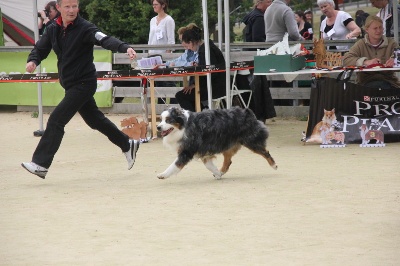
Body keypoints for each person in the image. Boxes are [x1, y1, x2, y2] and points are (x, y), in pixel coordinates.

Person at [21, 0, 140, 179]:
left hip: (84, 83)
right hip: (70, 84)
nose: (71, 10)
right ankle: (127, 143)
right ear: (58, 8)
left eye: (74, 6)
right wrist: (33, 60)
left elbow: (104, 39)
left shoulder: (85, 28)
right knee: (95, 120)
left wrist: (124, 47)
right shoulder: (53, 27)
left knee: (56, 120)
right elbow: (41, 48)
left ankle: (40, 164)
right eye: (67, 7)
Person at [175, 25, 226, 112]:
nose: (188, 49)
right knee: (186, 93)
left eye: (187, 46)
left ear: (191, 42)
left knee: (181, 95)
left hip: (215, 87)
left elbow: (211, 72)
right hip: (216, 84)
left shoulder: (205, 50)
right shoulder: (207, 47)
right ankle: (201, 114)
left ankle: (196, 117)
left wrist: (194, 85)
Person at [343, 15, 400, 89]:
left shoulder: (391, 43)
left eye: (380, 27)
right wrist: (365, 62)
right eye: (375, 28)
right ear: (367, 30)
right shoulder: (360, 44)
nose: (379, 31)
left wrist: (395, 60)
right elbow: (346, 59)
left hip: (389, 82)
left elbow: (398, 55)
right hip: (365, 83)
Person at [148, 0, 176, 104]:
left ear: (163, 5)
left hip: (164, 56)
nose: (154, 6)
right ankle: (160, 107)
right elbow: (150, 39)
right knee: (158, 84)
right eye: (153, 4)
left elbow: (171, 40)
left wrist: (167, 57)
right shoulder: (152, 20)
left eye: (156, 4)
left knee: (168, 82)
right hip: (153, 56)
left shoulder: (169, 20)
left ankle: (174, 107)